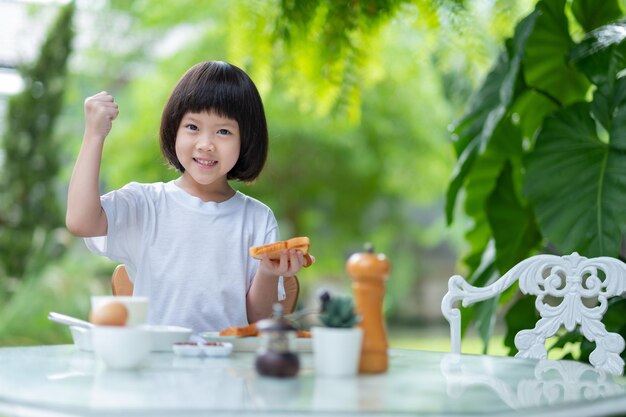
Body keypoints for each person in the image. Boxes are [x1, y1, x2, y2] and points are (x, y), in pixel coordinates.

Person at [66, 61, 310, 333]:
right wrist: (94, 134)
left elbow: (256, 320)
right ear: (174, 129)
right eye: (193, 127)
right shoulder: (147, 204)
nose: (206, 144)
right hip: (157, 367)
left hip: (226, 368)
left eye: (224, 131)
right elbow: (80, 221)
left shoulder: (257, 218)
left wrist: (267, 271)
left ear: (246, 140)